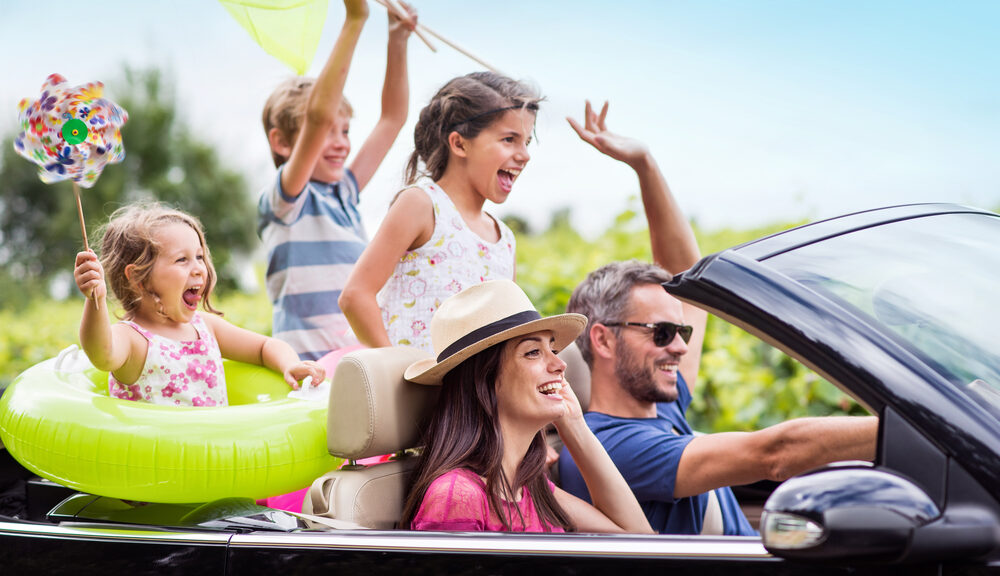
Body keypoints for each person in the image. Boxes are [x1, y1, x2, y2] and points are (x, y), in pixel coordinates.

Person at [555, 106, 879, 535]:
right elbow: (776, 453)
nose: (682, 346)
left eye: (682, 331)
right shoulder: (607, 446)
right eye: (663, 332)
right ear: (603, 340)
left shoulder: (662, 403)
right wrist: (924, 430)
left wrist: (645, 164)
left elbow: (689, 277)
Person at [400, 280, 653, 534]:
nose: (560, 364)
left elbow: (636, 540)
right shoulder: (456, 497)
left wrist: (574, 423)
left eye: (552, 348)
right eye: (533, 352)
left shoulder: (528, 487)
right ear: (484, 379)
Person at [258, 0, 416, 361]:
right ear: (281, 142)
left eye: (344, 130)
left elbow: (392, 118)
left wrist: (397, 39)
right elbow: (317, 115)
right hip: (308, 365)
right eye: (327, 133)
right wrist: (355, 19)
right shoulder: (286, 201)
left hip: (356, 361)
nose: (341, 142)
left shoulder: (345, 191)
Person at [338, 71, 537, 353]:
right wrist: (397, 370)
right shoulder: (421, 205)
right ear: (459, 143)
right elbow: (356, 296)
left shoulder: (504, 239)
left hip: (471, 397)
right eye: (509, 139)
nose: (524, 154)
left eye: (526, 142)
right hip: (413, 390)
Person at [74, 204, 325, 406]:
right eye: (182, 259)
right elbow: (102, 354)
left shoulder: (205, 327)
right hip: (157, 464)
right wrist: (95, 299)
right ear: (139, 278)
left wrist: (289, 363)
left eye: (200, 257)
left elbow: (264, 347)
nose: (198, 268)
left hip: (210, 461)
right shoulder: (131, 338)